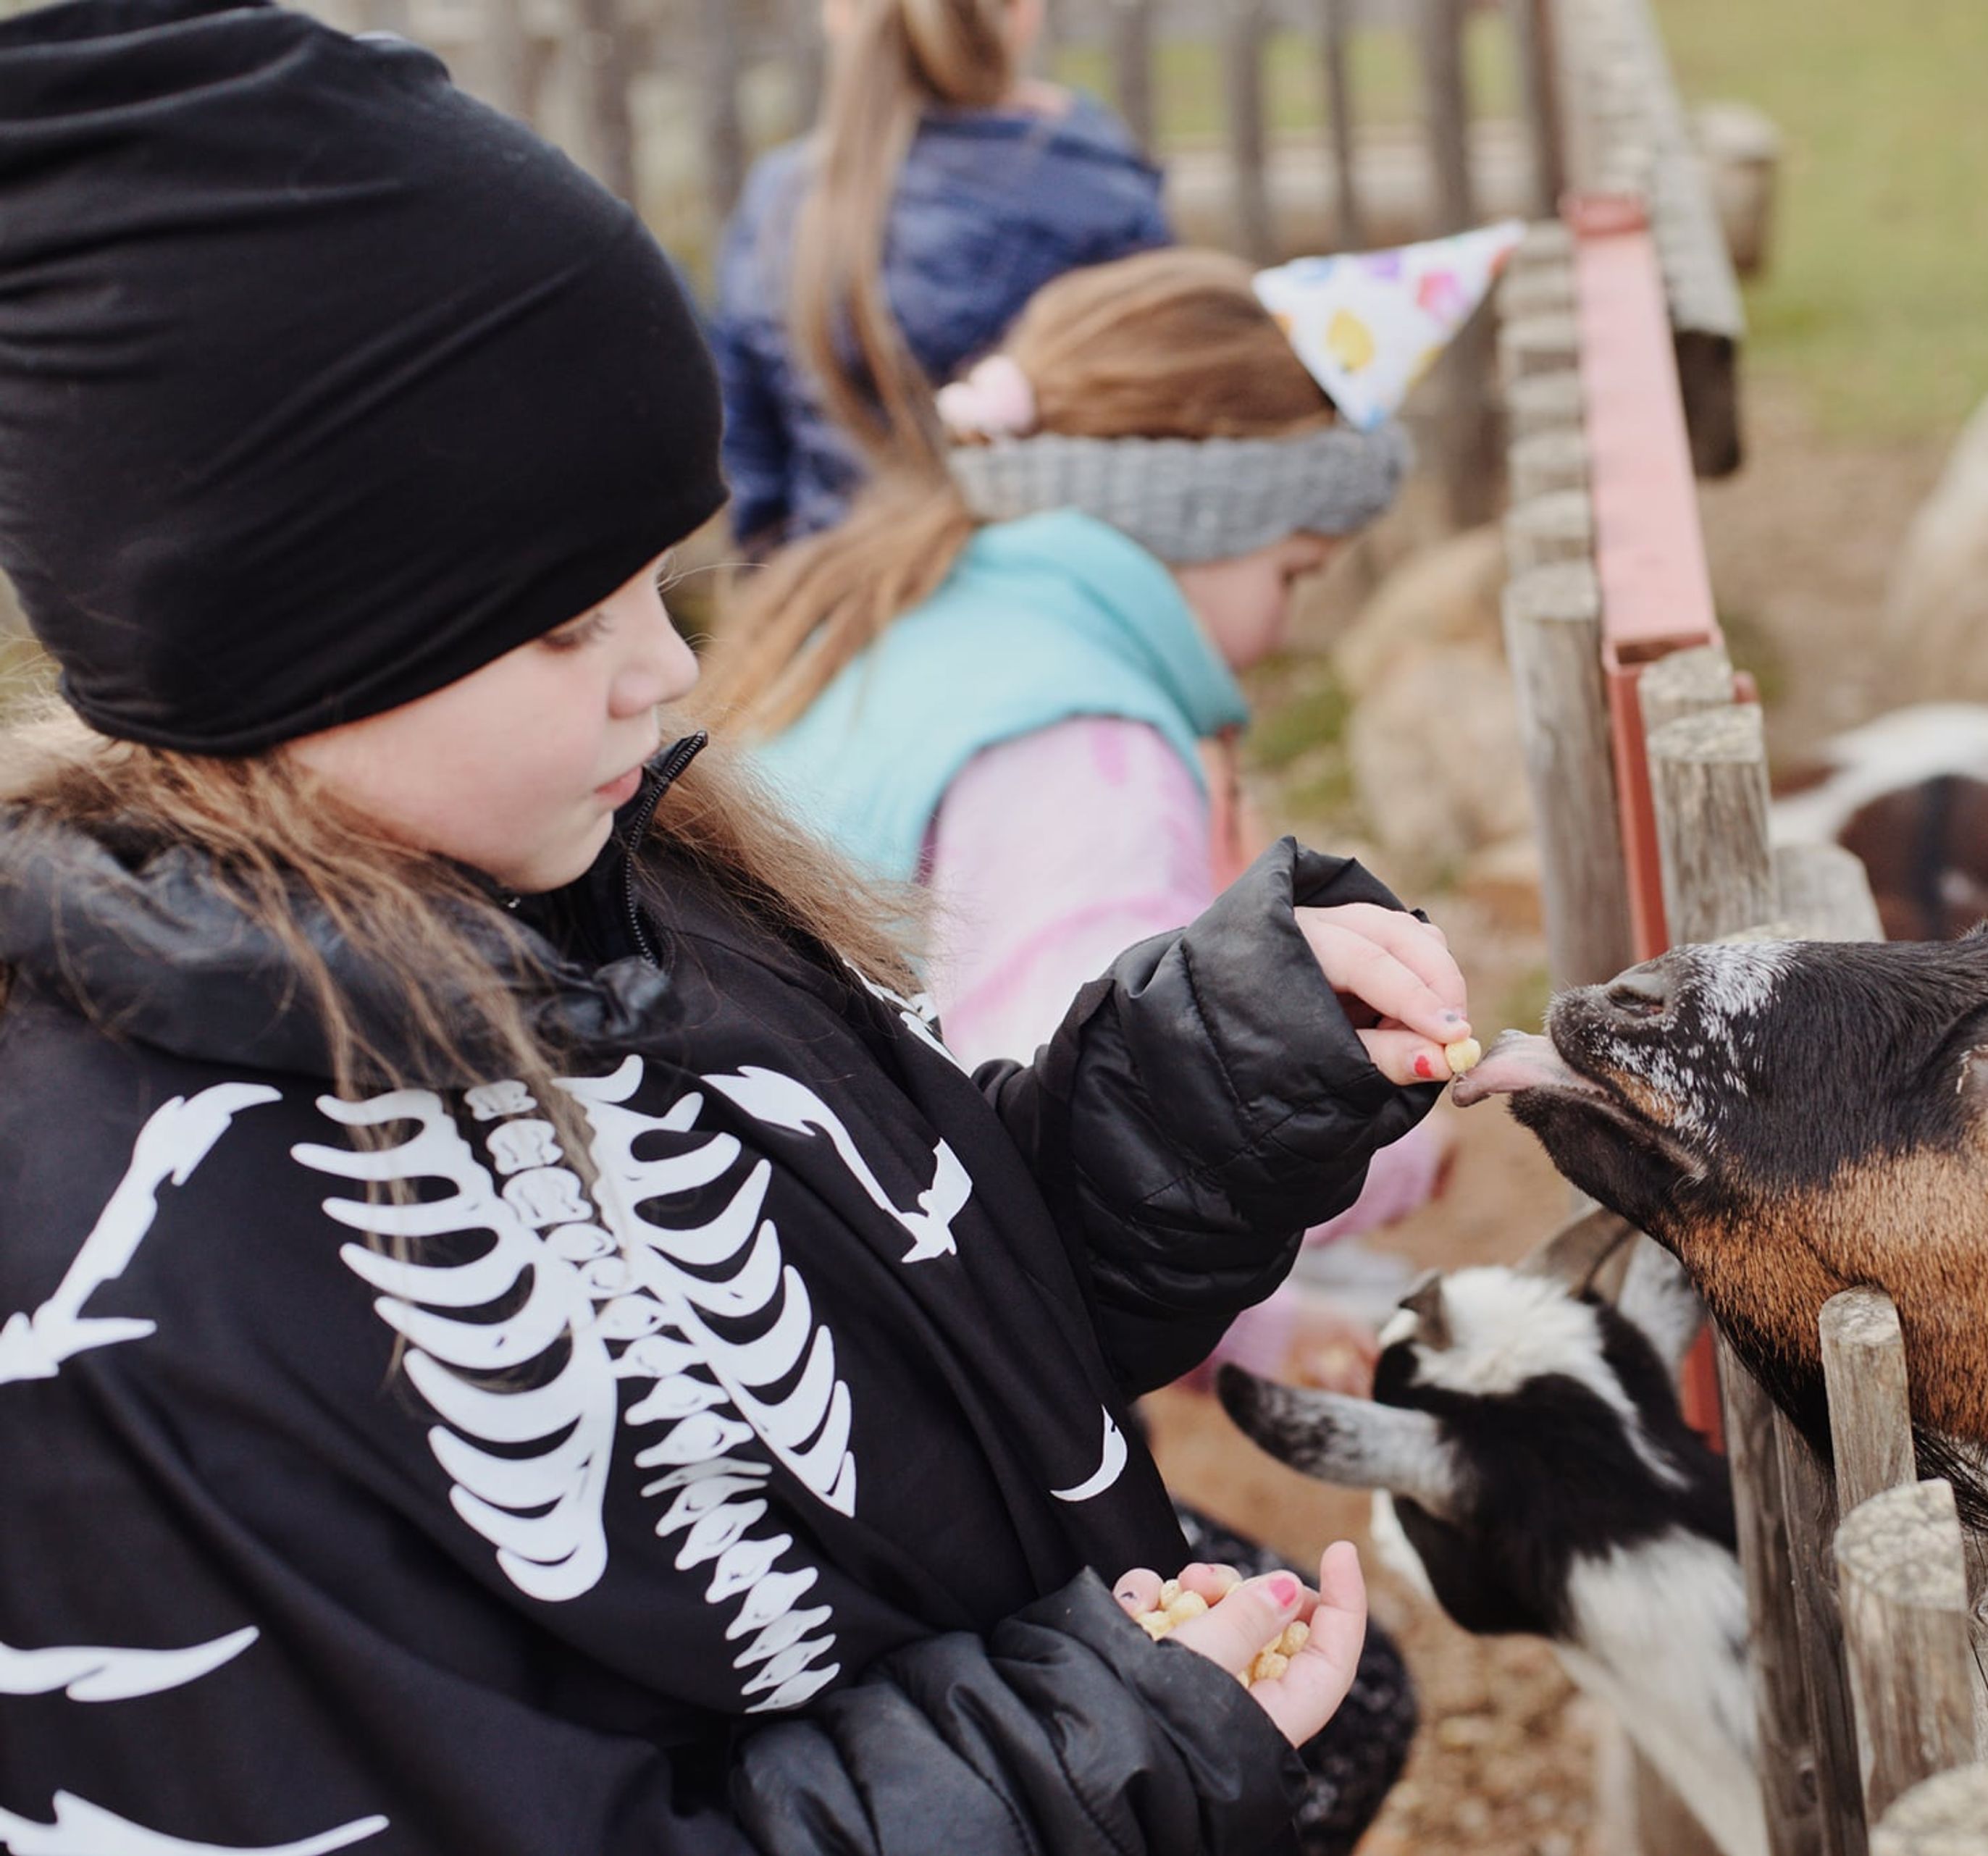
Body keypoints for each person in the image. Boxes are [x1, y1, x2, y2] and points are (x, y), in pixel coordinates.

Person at [0, 4, 1475, 1850]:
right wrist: (1073, 1765)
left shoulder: (649, 902)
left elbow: (928, 1307)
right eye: (566, 624)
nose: (670, 670)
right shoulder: (108, 1310)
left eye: (658, 585)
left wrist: (1205, 1086)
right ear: (289, 635)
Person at [705, 240, 1520, 1392]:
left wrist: (1261, 1326)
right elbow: (1091, 1151)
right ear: (1208, 519)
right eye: (1294, 573)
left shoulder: (923, 617)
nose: (1284, 633)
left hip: (796, 1270)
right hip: (878, 1358)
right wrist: (1378, 1145)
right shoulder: (1083, 750)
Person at [713, 0, 1171, 550]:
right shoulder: (1097, 192)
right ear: (1023, 13)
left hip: (834, 591)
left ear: (838, 13)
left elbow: (751, 450)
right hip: (1046, 595)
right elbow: (1161, 426)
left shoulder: (780, 200)